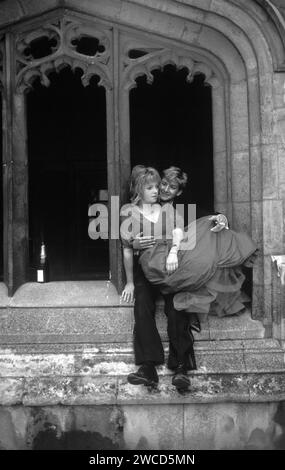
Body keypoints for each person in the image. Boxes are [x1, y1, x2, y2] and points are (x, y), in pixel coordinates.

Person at [120, 166, 238, 391]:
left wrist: (219, 217)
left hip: (175, 266)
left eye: (170, 187)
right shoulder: (136, 206)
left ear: (179, 192)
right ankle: (147, 367)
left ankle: (181, 366)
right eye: (161, 184)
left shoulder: (182, 209)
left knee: (177, 306)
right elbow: (127, 242)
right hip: (147, 268)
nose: (163, 189)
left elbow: (206, 218)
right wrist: (132, 253)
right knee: (142, 303)